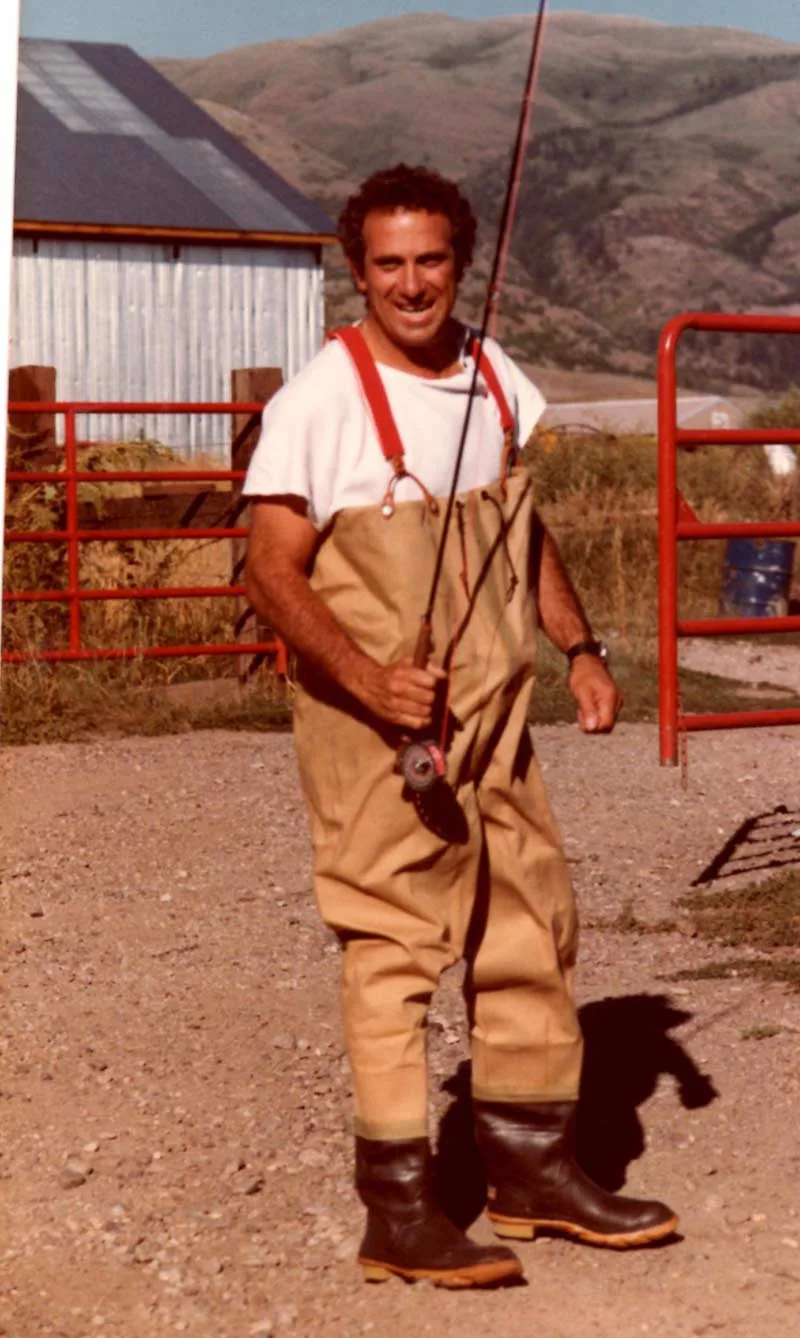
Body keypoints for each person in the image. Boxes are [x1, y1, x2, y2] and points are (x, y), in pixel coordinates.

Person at [244, 164, 677, 1289]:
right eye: (386, 263)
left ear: (460, 259)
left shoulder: (494, 376)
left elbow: (521, 533)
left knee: (528, 925)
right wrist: (363, 676)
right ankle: (397, 1212)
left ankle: (534, 1175)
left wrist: (578, 650)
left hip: (498, 725)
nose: (410, 283)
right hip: (374, 727)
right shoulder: (317, 403)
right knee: (391, 947)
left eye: (428, 258)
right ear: (358, 270)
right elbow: (268, 570)